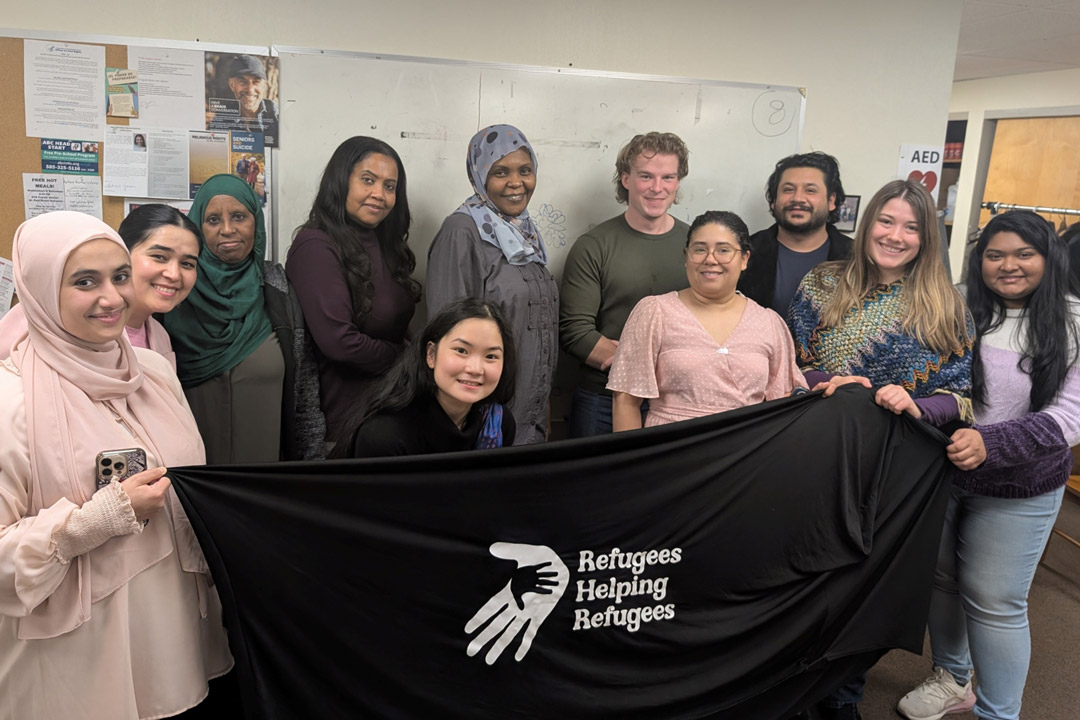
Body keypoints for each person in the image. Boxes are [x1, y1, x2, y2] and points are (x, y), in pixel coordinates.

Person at [0, 211, 231, 719]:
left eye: (120, 276)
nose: (113, 298)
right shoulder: (11, 399)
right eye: (85, 281)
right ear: (40, 289)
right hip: (79, 658)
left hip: (171, 637)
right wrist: (92, 522)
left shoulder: (153, 373)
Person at [787, 179, 974, 720]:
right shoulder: (821, 283)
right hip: (815, 453)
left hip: (894, 469)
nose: (895, 235)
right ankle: (789, 690)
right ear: (868, 224)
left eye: (911, 227)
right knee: (803, 574)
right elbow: (786, 364)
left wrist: (916, 402)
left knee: (861, 585)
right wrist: (831, 381)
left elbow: (961, 397)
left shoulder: (946, 306)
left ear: (926, 238)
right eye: (886, 221)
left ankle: (843, 698)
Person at [896, 211, 1080, 720]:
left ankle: (998, 714)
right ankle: (952, 679)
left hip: (1022, 485)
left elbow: (1069, 417)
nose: (1008, 265)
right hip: (943, 472)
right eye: (995, 255)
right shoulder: (955, 304)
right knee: (942, 580)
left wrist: (988, 442)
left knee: (995, 598)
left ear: (1049, 257)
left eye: (1024, 254)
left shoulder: (1074, 320)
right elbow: (926, 378)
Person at [163, 174, 325, 462]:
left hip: (265, 478)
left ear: (256, 222)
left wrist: (312, 464)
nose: (227, 229)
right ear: (197, 227)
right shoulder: (173, 294)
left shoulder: (279, 290)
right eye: (213, 220)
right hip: (189, 479)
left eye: (239, 216)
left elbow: (305, 393)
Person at [607, 210, 805, 430]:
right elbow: (626, 400)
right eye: (700, 249)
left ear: (744, 259)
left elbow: (785, 400)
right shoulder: (655, 312)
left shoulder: (769, 322)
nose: (710, 259)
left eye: (723, 250)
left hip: (748, 447)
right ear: (686, 257)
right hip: (672, 446)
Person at [426, 124, 556, 445]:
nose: (516, 182)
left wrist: (542, 407)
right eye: (500, 172)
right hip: (484, 424)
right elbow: (448, 338)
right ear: (480, 175)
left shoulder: (523, 233)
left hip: (529, 416)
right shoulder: (462, 232)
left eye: (525, 170)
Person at [288, 136, 421, 439]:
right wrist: (407, 358)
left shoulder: (385, 244)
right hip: (345, 423)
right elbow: (340, 342)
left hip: (392, 408)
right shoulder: (316, 245)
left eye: (390, 186)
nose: (379, 194)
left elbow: (395, 324)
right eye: (368, 180)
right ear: (341, 181)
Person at [560, 131, 691, 437]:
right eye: (646, 176)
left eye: (668, 177)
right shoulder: (594, 246)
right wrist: (635, 365)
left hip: (678, 400)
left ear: (677, 182)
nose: (657, 188)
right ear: (626, 179)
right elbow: (574, 331)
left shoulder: (696, 245)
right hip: (603, 400)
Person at [0, 203, 200, 369]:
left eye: (187, 264)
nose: (174, 274)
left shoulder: (159, 335)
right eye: (159, 257)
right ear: (122, 252)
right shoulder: (36, 329)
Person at [335, 298, 517, 458]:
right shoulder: (384, 435)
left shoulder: (498, 423)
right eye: (461, 351)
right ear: (431, 355)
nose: (475, 369)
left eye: (491, 356)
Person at [738, 151, 852, 315]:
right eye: (788, 189)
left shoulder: (857, 258)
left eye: (810, 190)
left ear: (831, 200)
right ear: (773, 201)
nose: (798, 198)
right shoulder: (744, 253)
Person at [211, 54, 279, 144]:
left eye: (256, 82)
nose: (250, 89)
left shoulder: (277, 115)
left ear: (264, 86)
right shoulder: (221, 120)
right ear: (232, 85)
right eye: (243, 82)